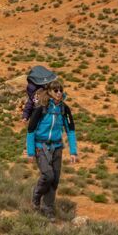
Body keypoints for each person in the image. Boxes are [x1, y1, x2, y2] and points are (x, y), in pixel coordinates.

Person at [25, 79, 77, 219]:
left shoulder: (64, 109)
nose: (59, 93)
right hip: (40, 146)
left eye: (61, 90)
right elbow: (30, 131)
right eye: (56, 90)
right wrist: (30, 152)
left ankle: (48, 209)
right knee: (48, 175)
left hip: (57, 147)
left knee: (54, 180)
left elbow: (71, 131)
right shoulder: (41, 108)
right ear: (49, 91)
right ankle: (36, 195)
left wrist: (73, 152)